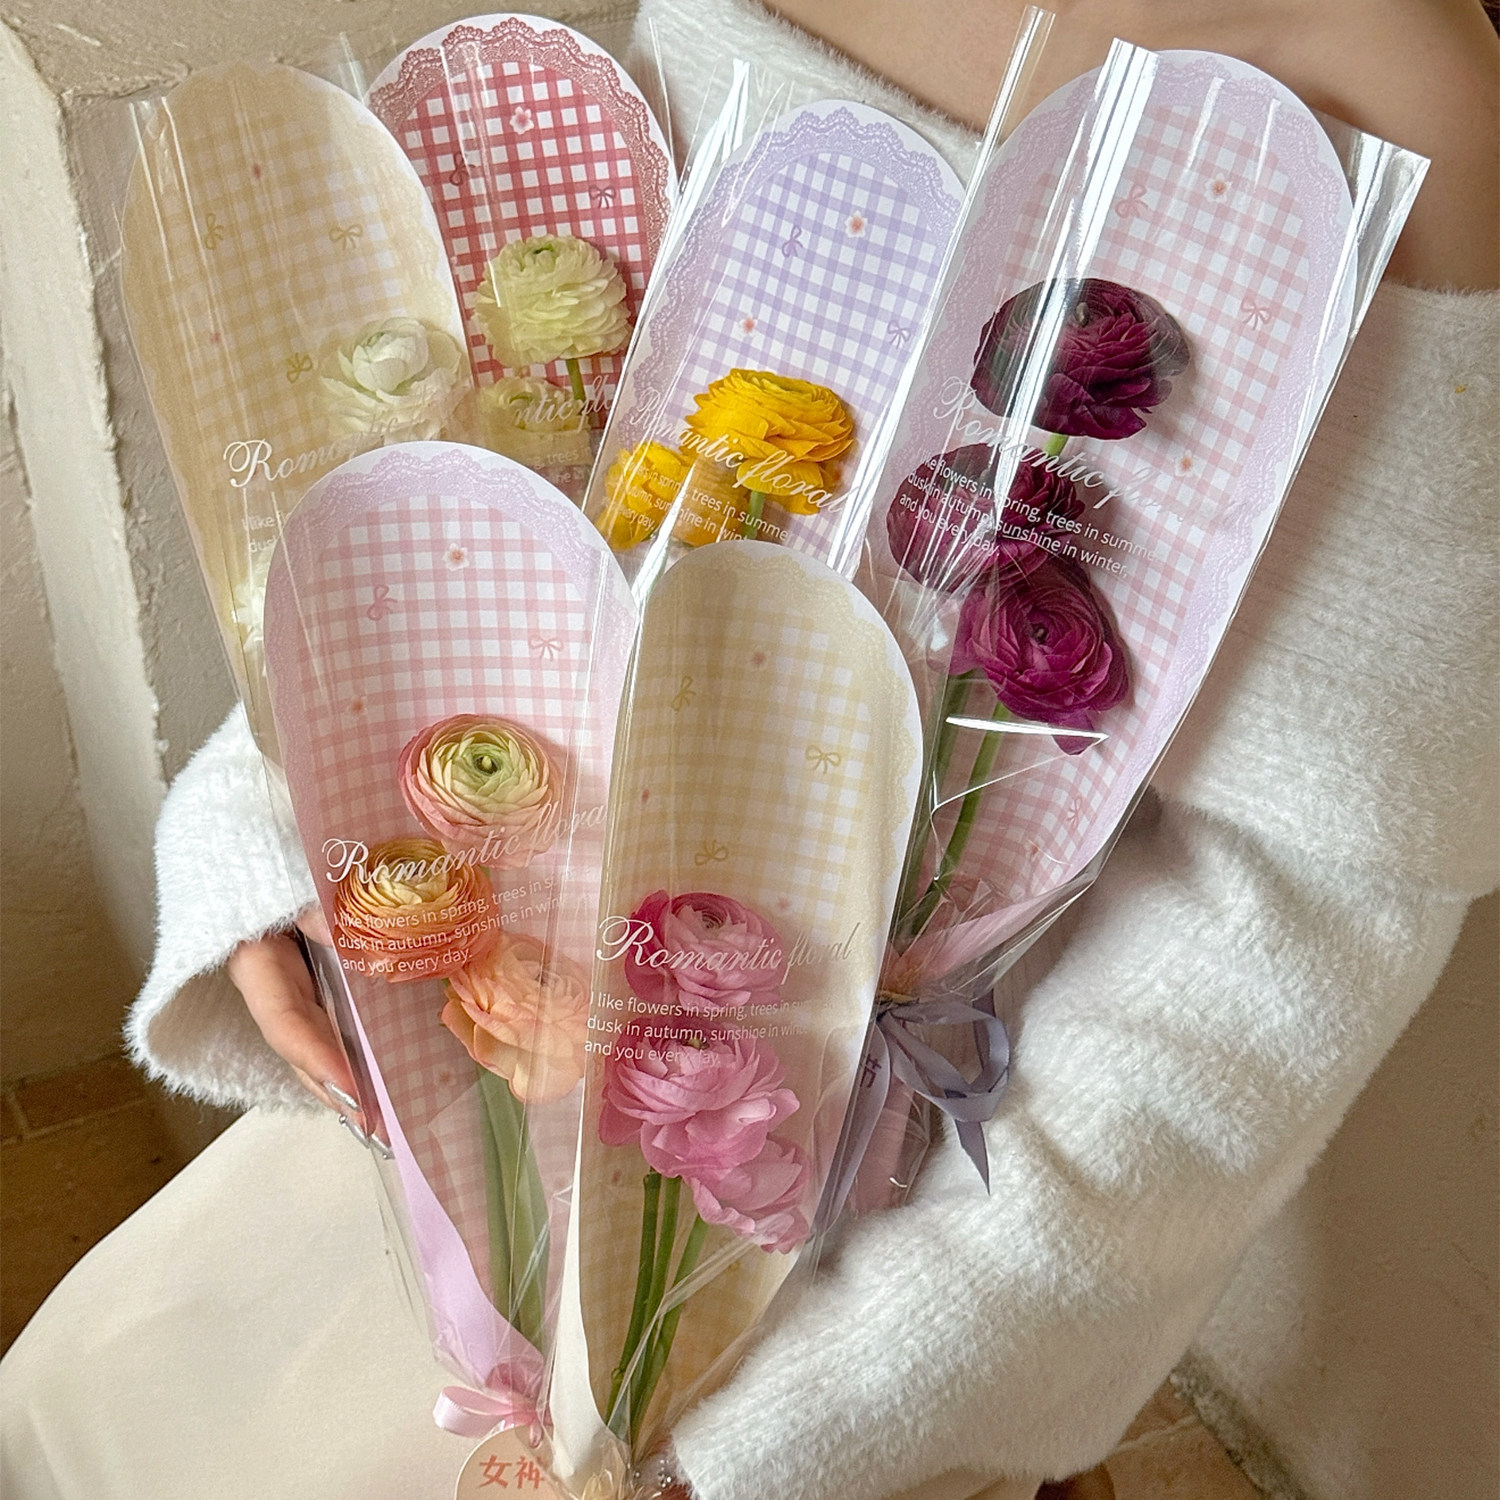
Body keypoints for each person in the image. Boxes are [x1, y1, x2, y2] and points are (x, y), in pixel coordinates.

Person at [2, 1, 1495, 1498]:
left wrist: (787, 1435)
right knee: (105, 1412)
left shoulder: (1400, 104)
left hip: (904, 1263)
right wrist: (306, 823)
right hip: (491, 1107)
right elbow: (554, 469)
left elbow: (1260, 968)